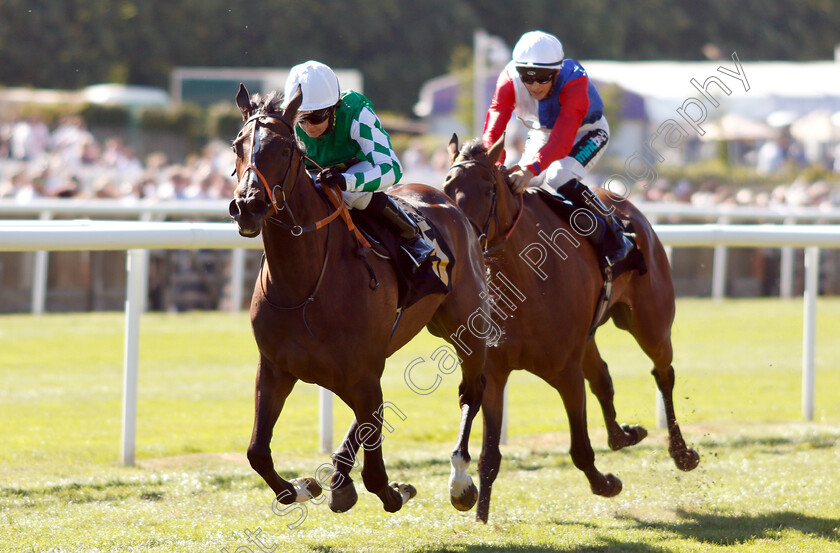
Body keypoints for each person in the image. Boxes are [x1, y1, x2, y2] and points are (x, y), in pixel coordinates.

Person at [482, 30, 632, 266]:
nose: (534, 85)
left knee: (557, 177)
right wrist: (494, 164)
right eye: (527, 77)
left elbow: (562, 141)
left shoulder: (573, 79)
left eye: (542, 77)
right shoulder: (509, 78)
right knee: (513, 182)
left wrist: (531, 168)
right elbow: (494, 129)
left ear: (556, 71)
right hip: (543, 134)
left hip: (587, 132)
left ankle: (613, 232)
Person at [282, 60, 434, 268]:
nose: (307, 126)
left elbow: (392, 169)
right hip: (318, 173)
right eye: (301, 118)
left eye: (316, 117)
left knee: (350, 194)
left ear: (333, 108)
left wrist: (347, 181)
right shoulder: (288, 124)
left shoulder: (357, 115)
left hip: (359, 169)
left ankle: (411, 236)